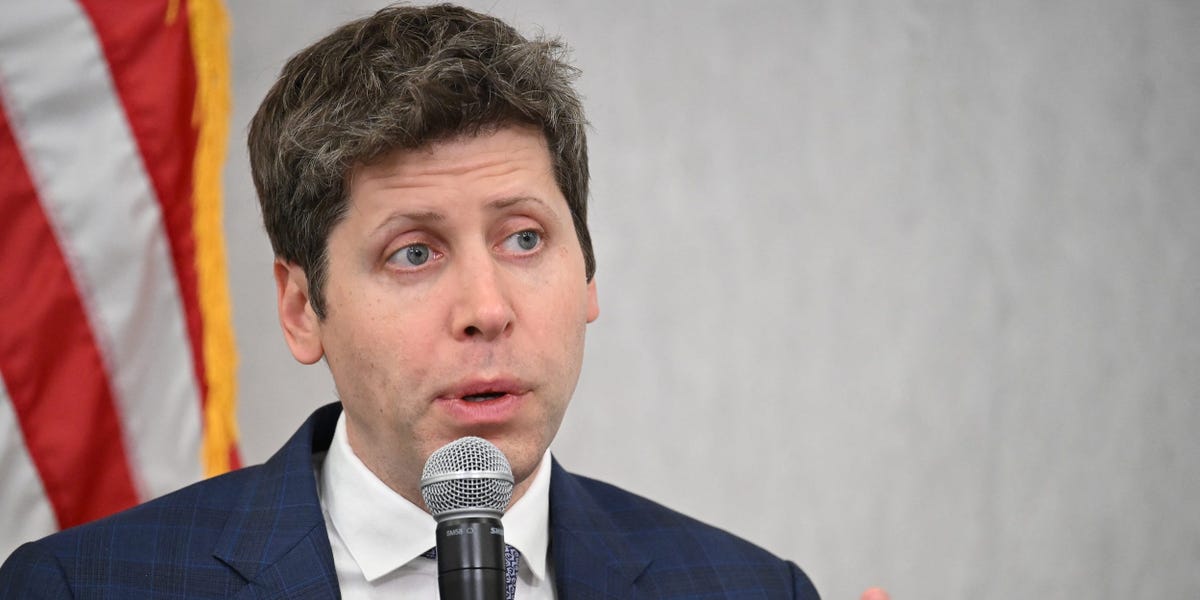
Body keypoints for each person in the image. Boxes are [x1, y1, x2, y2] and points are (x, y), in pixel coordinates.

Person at [0, 4, 885, 598]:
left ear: (588, 273)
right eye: (414, 253)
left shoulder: (750, 589)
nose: (486, 309)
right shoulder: (82, 588)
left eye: (524, 239)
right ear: (303, 308)